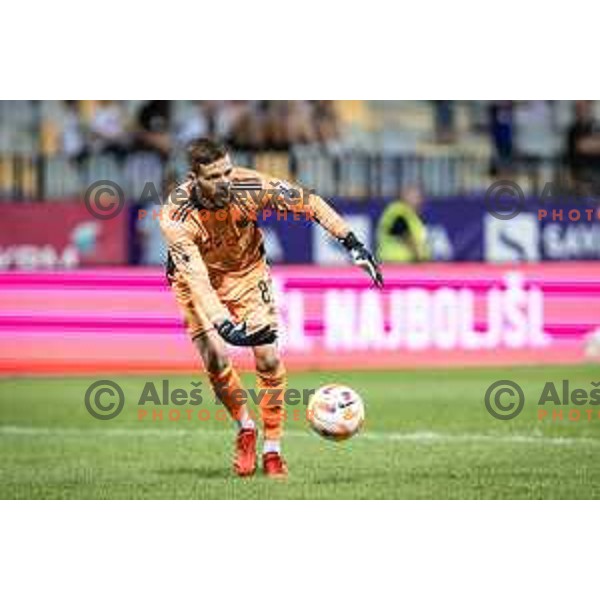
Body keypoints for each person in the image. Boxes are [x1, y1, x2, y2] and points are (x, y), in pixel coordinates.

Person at [159, 138, 383, 478]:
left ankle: (273, 449)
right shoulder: (175, 216)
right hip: (194, 281)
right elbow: (198, 278)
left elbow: (310, 203)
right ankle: (245, 428)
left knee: (268, 357)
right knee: (216, 356)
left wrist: (351, 241)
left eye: (228, 172)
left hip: (248, 273)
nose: (225, 182)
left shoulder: (251, 186)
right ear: (194, 178)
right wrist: (223, 323)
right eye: (214, 176)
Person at [377, 185, 430, 263]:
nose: (417, 200)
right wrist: (419, 257)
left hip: (404, 263)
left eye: (419, 197)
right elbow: (405, 235)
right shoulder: (398, 211)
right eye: (413, 196)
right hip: (394, 262)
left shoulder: (411, 215)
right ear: (404, 197)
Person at [566, 100, 600, 190]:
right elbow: (579, 147)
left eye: (584, 106)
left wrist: (588, 145)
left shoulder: (596, 126)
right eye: (579, 107)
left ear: (589, 107)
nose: (582, 110)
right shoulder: (573, 130)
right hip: (580, 174)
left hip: (597, 172)